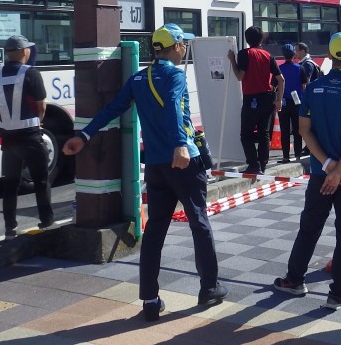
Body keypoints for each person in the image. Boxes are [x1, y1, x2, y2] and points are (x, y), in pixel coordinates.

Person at [62, 24, 226, 322]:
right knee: (199, 222)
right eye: (183, 44)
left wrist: (84, 135)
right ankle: (209, 287)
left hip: (155, 166)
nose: (185, 49)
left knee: (155, 231)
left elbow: (112, 108)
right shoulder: (175, 74)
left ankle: (150, 299)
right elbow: (175, 108)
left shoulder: (139, 78)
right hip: (183, 162)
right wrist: (180, 145)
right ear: (176, 46)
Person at [273, 31, 341, 310]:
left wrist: (327, 166)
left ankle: (294, 279)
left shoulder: (313, 89)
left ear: (328, 56)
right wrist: (339, 170)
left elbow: (304, 130)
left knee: (310, 227)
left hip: (319, 172)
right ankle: (339, 293)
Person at [0, 35, 53, 238]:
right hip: (31, 136)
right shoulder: (31, 73)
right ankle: (46, 220)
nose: (28, 51)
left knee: (11, 184)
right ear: (23, 51)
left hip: (8, 140)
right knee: (41, 181)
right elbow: (41, 104)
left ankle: (10, 227)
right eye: (27, 49)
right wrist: (39, 121)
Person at [228, 26, 283, 174]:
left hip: (251, 98)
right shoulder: (268, 55)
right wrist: (279, 100)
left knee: (246, 134)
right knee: (263, 133)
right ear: (261, 40)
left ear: (246, 39)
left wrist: (232, 60)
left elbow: (240, 76)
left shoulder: (244, 54)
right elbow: (281, 79)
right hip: (267, 97)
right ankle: (263, 164)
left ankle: (253, 164)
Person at [278, 44, 304, 163]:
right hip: (297, 102)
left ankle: (285, 156)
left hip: (284, 102)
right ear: (294, 54)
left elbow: (275, 85)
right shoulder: (300, 68)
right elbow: (304, 86)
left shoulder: (279, 68)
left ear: (283, 55)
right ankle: (298, 155)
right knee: (297, 129)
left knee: (285, 130)